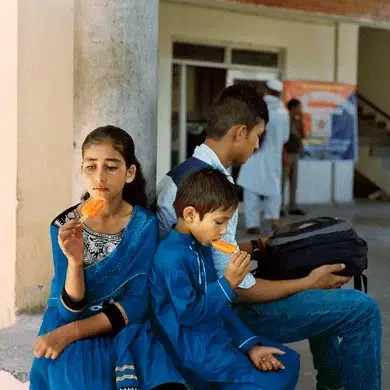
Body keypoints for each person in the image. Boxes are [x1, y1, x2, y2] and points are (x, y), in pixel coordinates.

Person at [157, 85, 382, 390]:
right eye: (257, 135)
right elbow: (239, 289)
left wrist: (258, 245)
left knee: (320, 288)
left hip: (205, 304)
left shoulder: (184, 177)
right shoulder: (214, 188)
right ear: (239, 132)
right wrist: (308, 283)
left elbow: (208, 249)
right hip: (221, 315)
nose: (258, 144)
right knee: (361, 309)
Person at [30, 126, 185, 390]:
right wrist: (75, 262)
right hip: (72, 322)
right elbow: (68, 313)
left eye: (111, 167)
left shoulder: (143, 225)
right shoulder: (63, 226)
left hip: (123, 324)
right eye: (91, 167)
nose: (99, 176)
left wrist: (68, 335)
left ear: (130, 173)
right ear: (82, 170)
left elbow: (137, 301)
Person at [150, 168, 300, 390]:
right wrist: (227, 283)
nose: (223, 232)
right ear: (191, 215)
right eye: (220, 222)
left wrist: (250, 346)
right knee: (269, 382)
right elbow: (188, 314)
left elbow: (220, 306)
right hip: (194, 349)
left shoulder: (199, 247)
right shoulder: (170, 258)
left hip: (214, 335)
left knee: (289, 361)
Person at [236, 79, 289, 235]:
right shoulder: (283, 112)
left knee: (251, 188)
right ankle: (274, 219)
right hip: (274, 157)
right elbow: (285, 138)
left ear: (266, 91)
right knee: (274, 188)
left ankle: (253, 224)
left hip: (254, 154)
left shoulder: (255, 109)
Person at [281, 98, 308, 217]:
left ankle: (293, 206)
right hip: (286, 154)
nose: (300, 109)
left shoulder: (297, 121)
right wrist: (283, 154)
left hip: (295, 154)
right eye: (299, 107)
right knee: (282, 182)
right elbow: (281, 139)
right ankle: (279, 207)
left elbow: (304, 135)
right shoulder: (285, 120)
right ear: (293, 108)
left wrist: (301, 120)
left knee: (293, 181)